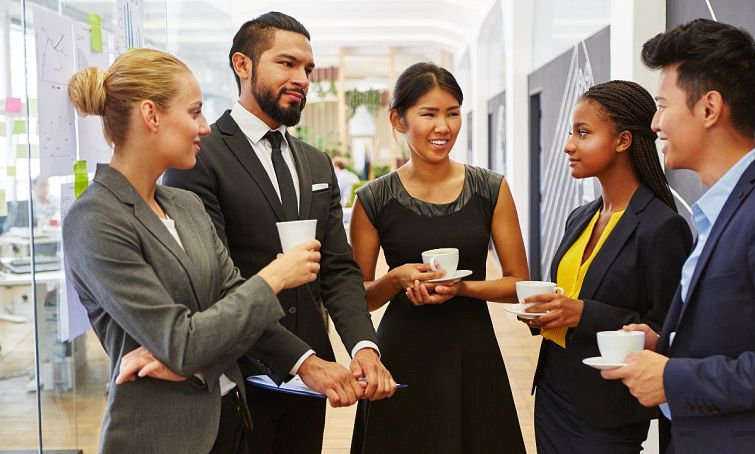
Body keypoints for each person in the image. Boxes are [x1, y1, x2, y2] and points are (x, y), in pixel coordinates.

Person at [63, 48, 323, 453]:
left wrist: (191, 356)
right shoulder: (96, 219)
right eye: (195, 112)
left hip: (232, 422)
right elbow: (183, 341)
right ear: (151, 115)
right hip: (162, 437)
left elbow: (232, 311)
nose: (205, 128)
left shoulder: (185, 205)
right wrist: (276, 276)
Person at [162, 12, 396, 454]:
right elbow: (213, 283)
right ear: (242, 65)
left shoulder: (315, 162)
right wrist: (301, 362)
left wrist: (364, 346)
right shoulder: (198, 157)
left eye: (307, 68)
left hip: (311, 385)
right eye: (286, 64)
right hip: (237, 379)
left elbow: (339, 270)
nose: (302, 78)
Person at [602, 19, 755, 453]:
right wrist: (669, 345)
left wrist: (671, 378)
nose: (655, 124)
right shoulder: (722, 209)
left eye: (662, 105)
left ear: (710, 108)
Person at [349, 62, 529, 454]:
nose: (443, 127)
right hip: (401, 355)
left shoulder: (491, 189)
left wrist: (462, 287)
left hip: (472, 353)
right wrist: (394, 280)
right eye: (428, 114)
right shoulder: (373, 199)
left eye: (452, 113)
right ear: (398, 119)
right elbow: (357, 298)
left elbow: (518, 283)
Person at [519, 80, 692, 453]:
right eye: (571, 132)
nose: (568, 145)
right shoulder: (579, 217)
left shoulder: (662, 227)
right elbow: (569, 301)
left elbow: (669, 332)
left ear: (623, 141)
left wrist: (582, 314)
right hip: (553, 394)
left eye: (583, 133)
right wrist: (547, 315)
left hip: (609, 408)